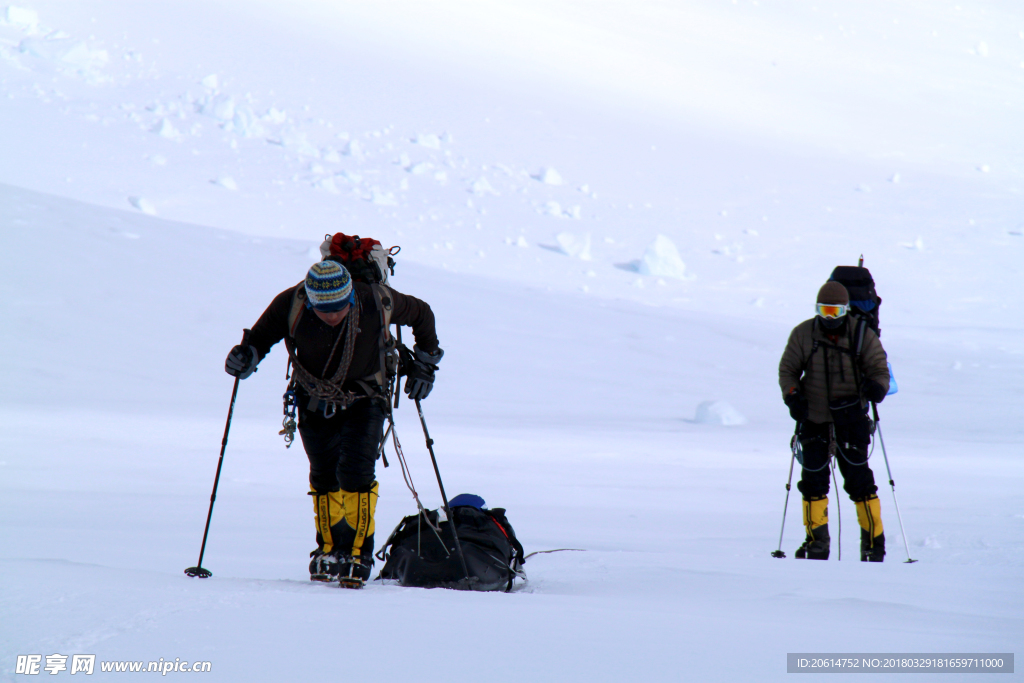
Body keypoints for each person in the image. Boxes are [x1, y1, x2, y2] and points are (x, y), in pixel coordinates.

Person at [224, 259, 443, 586]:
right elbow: (261, 337)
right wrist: (246, 357)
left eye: (340, 307)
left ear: (350, 297)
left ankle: (358, 553)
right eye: (324, 309)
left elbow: (422, 313)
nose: (332, 315)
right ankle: (328, 550)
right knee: (324, 473)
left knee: (355, 472)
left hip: (366, 397)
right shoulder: (293, 301)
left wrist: (426, 362)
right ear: (310, 300)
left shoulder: (374, 299)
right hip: (313, 398)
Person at [778, 281, 889, 562]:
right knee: (813, 481)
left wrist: (878, 386)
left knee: (859, 482)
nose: (828, 318)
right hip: (813, 419)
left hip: (851, 420)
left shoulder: (862, 335)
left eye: (834, 311)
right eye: (823, 311)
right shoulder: (803, 334)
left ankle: (873, 545)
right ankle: (816, 544)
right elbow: (788, 369)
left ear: (845, 310)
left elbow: (879, 367)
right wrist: (792, 396)